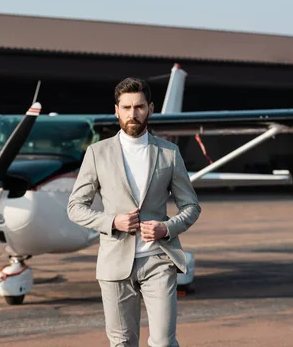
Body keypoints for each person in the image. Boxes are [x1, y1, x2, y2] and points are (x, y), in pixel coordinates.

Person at [67, 77, 201, 347]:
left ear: (150, 108)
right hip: (114, 263)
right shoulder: (97, 153)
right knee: (123, 342)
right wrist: (112, 221)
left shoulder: (169, 153)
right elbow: (75, 207)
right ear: (116, 110)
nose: (132, 113)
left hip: (158, 259)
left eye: (139, 106)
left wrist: (167, 227)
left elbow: (191, 206)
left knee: (164, 342)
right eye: (126, 107)